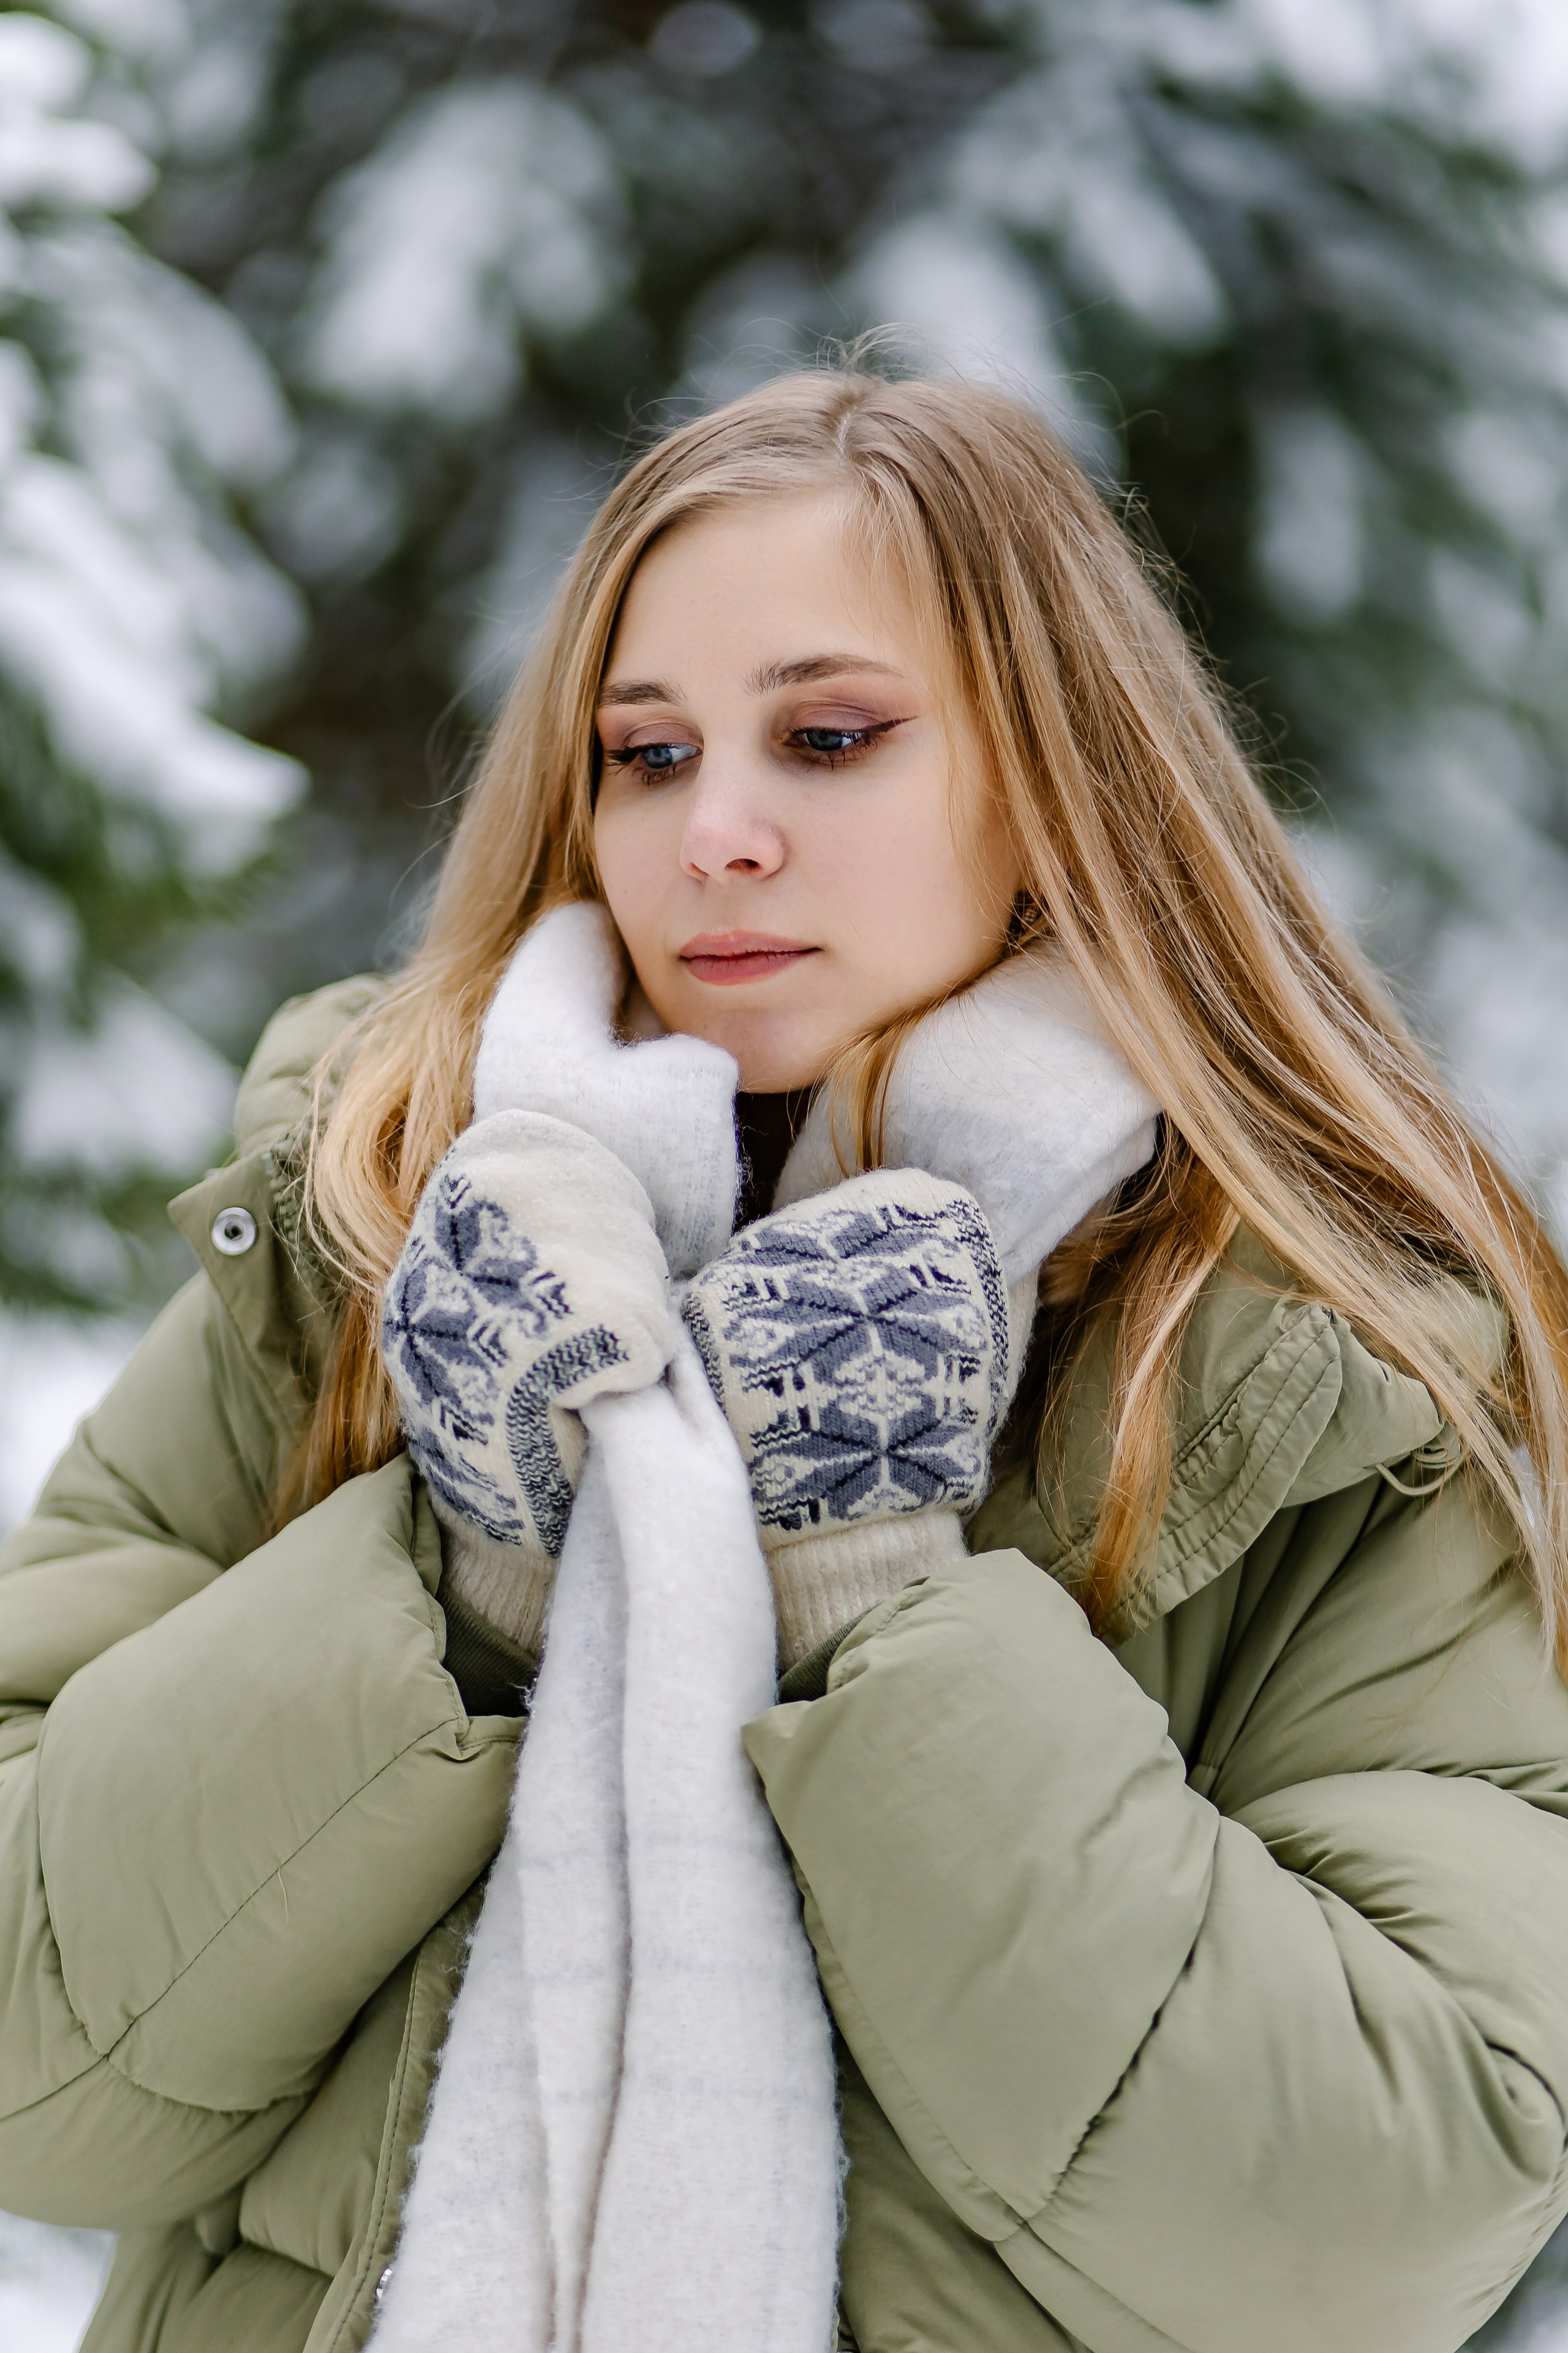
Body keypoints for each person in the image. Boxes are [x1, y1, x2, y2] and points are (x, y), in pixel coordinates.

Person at [3, 365, 1568, 2353]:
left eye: (828, 737)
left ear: (1057, 774)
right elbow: (30, 2074)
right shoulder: (374, 1233)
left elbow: (1367, 2230)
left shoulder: (1312, 1364)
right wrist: (469, 1575)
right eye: (644, 756)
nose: (714, 833)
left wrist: (873, 1589)